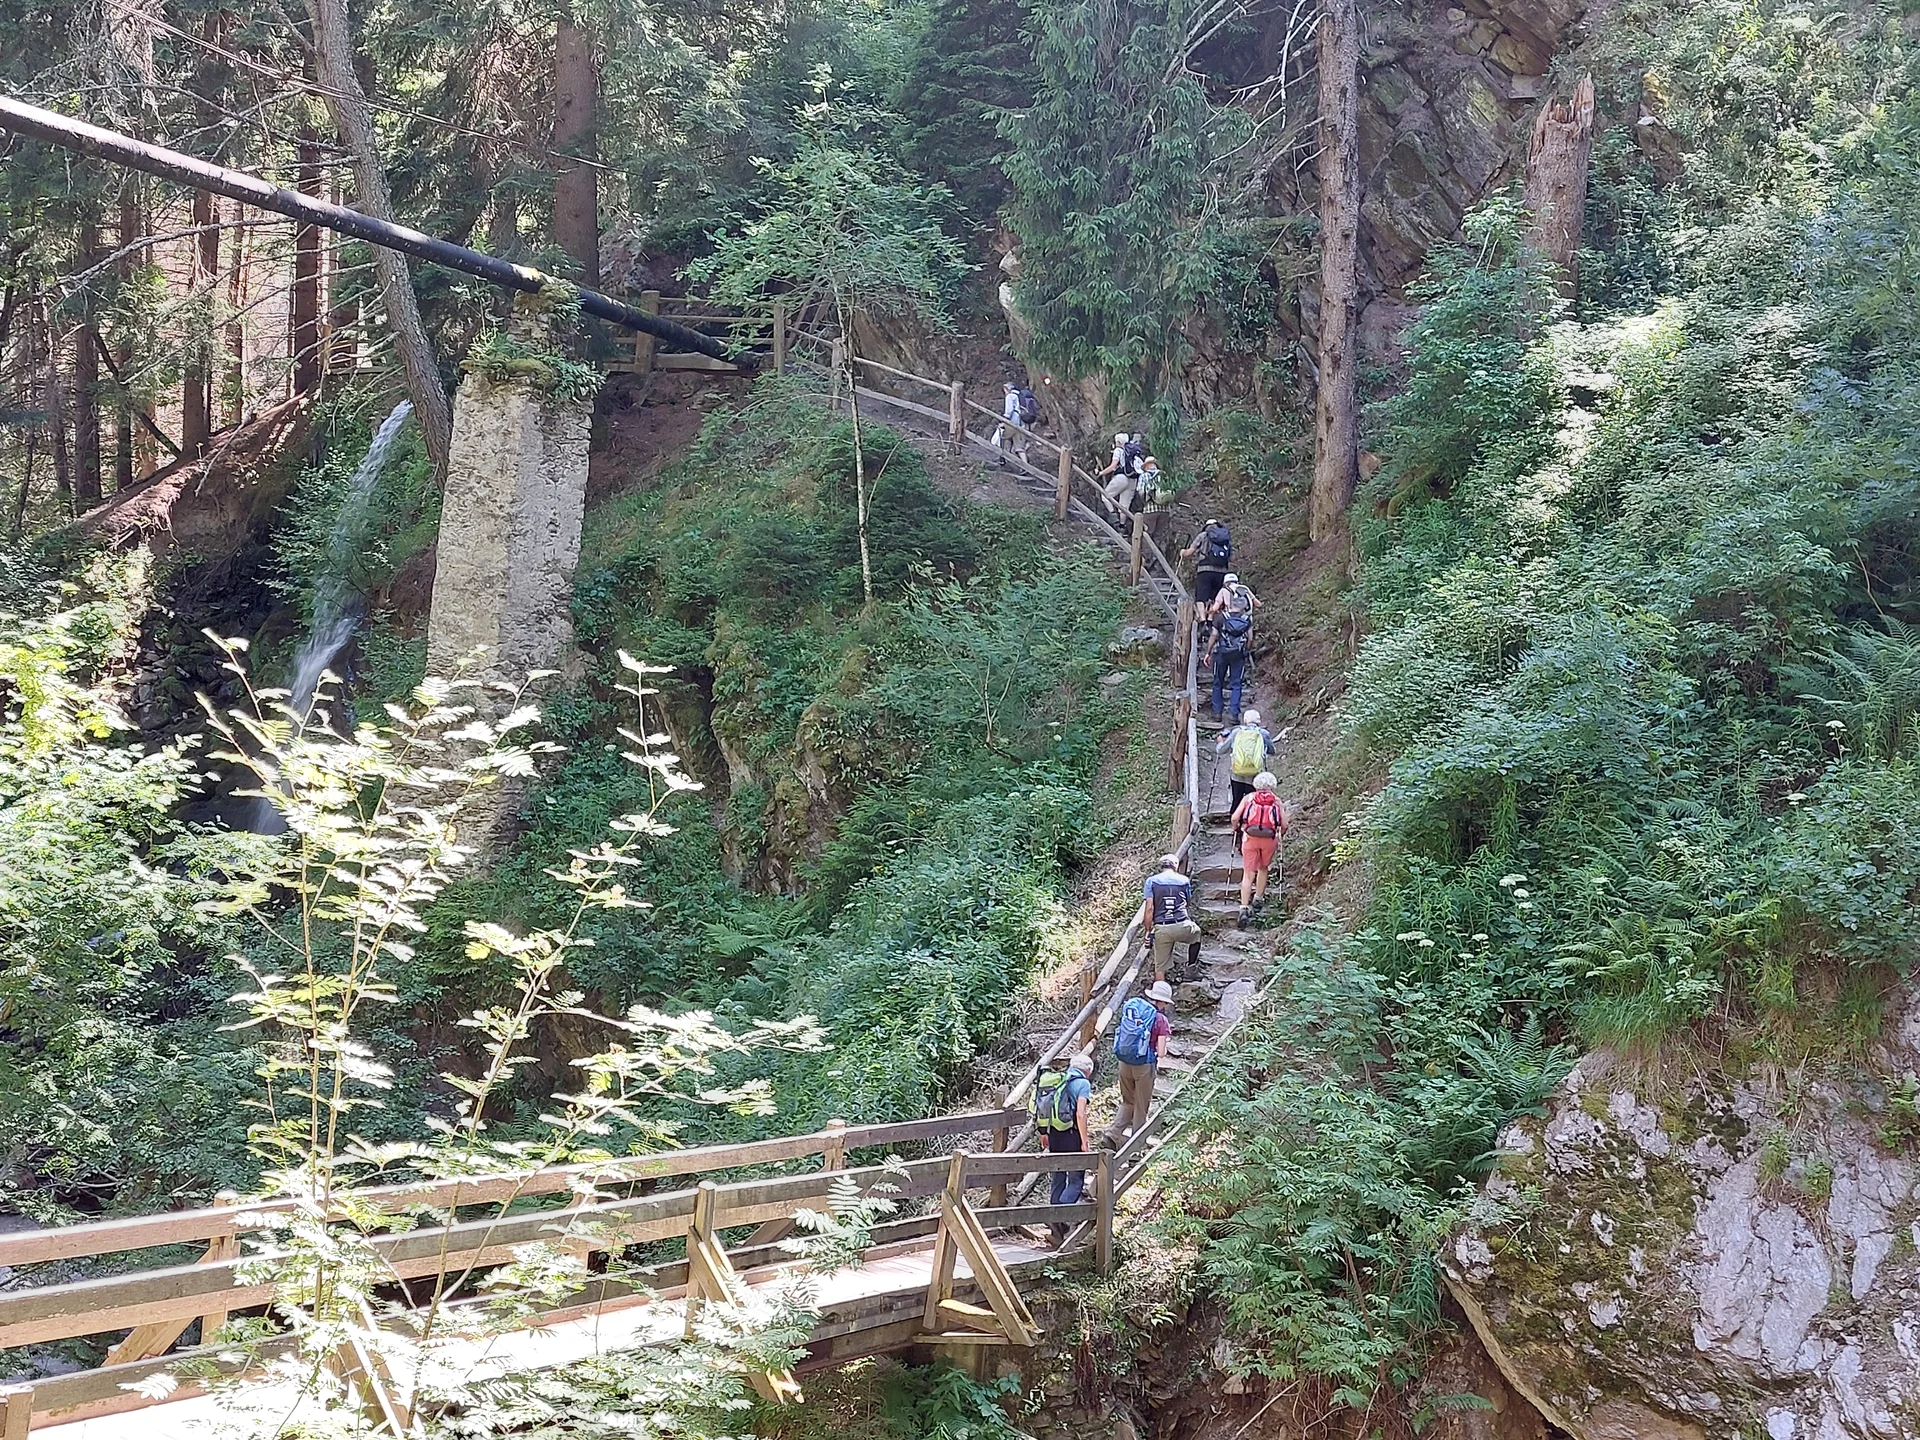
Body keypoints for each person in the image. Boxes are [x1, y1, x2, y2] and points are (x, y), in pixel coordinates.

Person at [1030, 1050, 1095, 1243]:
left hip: (1054, 1134)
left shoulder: (1058, 1080)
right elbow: (1081, 1114)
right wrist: (1084, 1140)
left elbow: (1044, 1105)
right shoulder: (1082, 1083)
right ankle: (1059, 1218)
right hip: (1071, 1135)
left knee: (1058, 1177)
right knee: (1075, 1180)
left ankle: (1054, 1223)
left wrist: (1044, 1132)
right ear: (1087, 1071)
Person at [1103, 980, 1172, 1149]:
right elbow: (1161, 1052)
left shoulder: (1135, 1009)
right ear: (1162, 1001)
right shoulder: (1160, 1020)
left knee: (1128, 1101)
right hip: (1144, 1066)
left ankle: (1111, 1135)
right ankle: (1136, 1148)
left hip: (1124, 1062)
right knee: (1141, 1107)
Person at [1229, 772, 1287, 926]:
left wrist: (1237, 828)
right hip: (1269, 839)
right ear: (1272, 785)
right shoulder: (1276, 801)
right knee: (1263, 868)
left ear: (1256, 784)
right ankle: (1258, 899)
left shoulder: (1248, 798)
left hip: (1250, 837)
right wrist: (1279, 833)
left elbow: (1235, 817)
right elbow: (1284, 824)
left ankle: (1243, 908)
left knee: (1248, 873)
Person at [1137, 852, 1201, 983]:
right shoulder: (1184, 881)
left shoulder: (1151, 881)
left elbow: (1149, 908)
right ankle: (1191, 969)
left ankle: (1160, 994)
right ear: (1175, 866)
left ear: (1162, 866)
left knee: (1160, 967)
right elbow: (1187, 903)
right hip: (1182, 925)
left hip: (1162, 928)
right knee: (1197, 934)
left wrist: (1148, 931)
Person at [1215, 708, 1277, 814]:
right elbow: (1272, 751)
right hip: (1255, 775)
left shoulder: (1236, 732)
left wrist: (1220, 742)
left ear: (1245, 721)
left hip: (1237, 774)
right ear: (1258, 722)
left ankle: (1234, 826)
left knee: (1237, 801)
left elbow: (1221, 750)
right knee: (1253, 802)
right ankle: (1251, 824)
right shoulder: (1263, 733)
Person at [1210, 597, 1253, 723]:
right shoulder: (1247, 620)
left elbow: (1214, 635)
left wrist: (1208, 652)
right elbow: (1250, 638)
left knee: (1218, 682)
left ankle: (1217, 712)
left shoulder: (1220, 617)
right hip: (1238, 655)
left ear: (1230, 605)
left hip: (1221, 653)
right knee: (1236, 684)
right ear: (1244, 607)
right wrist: (1246, 651)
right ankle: (1233, 714)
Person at [1182, 519, 1233, 614]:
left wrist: (1183, 552)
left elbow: (1189, 553)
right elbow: (1231, 557)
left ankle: (1202, 619)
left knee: (1201, 597)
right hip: (1222, 571)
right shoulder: (1226, 538)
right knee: (1215, 597)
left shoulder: (1203, 535)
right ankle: (1210, 620)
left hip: (1205, 570)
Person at [1101, 433, 1145, 516]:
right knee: (1124, 507)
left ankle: (1113, 516)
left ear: (1118, 442)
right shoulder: (1133, 452)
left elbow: (1113, 466)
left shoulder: (1118, 450)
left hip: (1121, 478)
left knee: (1105, 496)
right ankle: (1122, 526)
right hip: (1133, 480)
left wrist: (1101, 473)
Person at [992, 381, 1030, 467]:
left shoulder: (1010, 397)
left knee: (1001, 437)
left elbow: (1009, 411)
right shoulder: (1020, 396)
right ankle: (1026, 467)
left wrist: (1003, 422)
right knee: (1020, 448)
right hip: (1021, 424)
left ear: (1007, 389)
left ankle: (1002, 458)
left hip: (1012, 423)